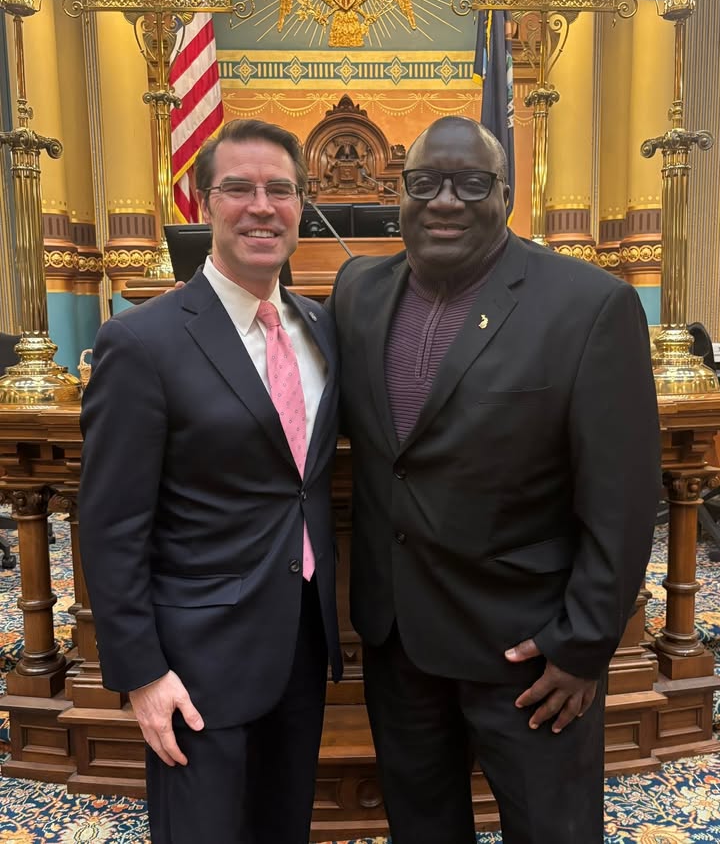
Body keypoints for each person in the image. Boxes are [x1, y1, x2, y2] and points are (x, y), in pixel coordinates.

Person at [329, 115, 661, 844]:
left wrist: (582, 645)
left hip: (529, 651)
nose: (446, 200)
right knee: (422, 828)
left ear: (505, 195)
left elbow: (624, 495)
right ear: (401, 193)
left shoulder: (588, 305)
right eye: (425, 183)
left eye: (471, 183)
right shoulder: (358, 290)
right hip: (399, 641)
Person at [79, 118, 342, 844]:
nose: (262, 206)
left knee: (282, 827)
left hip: (299, 638)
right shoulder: (141, 342)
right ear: (203, 204)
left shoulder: (320, 327)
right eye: (239, 188)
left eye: (281, 190)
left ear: (300, 205)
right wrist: (141, 673)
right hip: (194, 658)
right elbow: (110, 523)